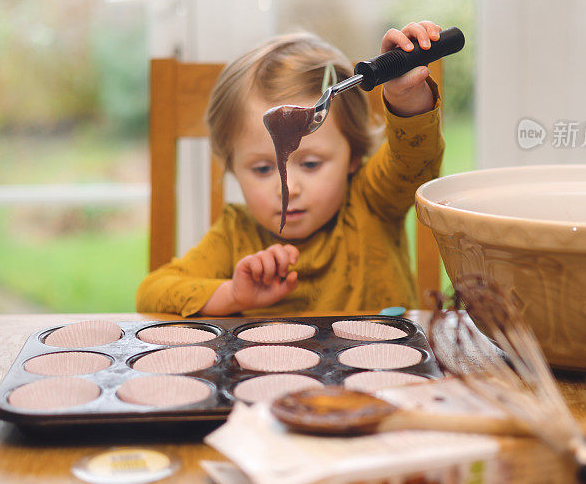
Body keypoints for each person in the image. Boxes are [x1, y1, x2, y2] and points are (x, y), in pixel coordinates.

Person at [136, 20, 445, 316]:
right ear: (232, 166)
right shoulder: (234, 235)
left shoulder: (372, 202)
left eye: (311, 164)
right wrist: (231, 294)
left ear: (353, 153)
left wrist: (406, 97)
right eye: (261, 169)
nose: (288, 188)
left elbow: (414, 162)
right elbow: (152, 293)